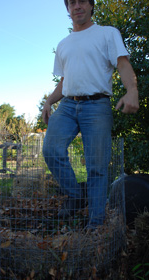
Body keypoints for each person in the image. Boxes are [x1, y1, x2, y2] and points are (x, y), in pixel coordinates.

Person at [42, 0, 139, 227]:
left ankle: (95, 227)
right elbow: (65, 81)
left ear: (91, 5)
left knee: (96, 167)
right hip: (66, 105)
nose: (77, 6)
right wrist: (49, 100)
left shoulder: (107, 34)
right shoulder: (63, 44)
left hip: (96, 105)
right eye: (72, 2)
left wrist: (132, 89)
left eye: (82, 1)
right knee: (51, 149)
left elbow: (122, 64)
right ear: (67, 9)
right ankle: (76, 197)